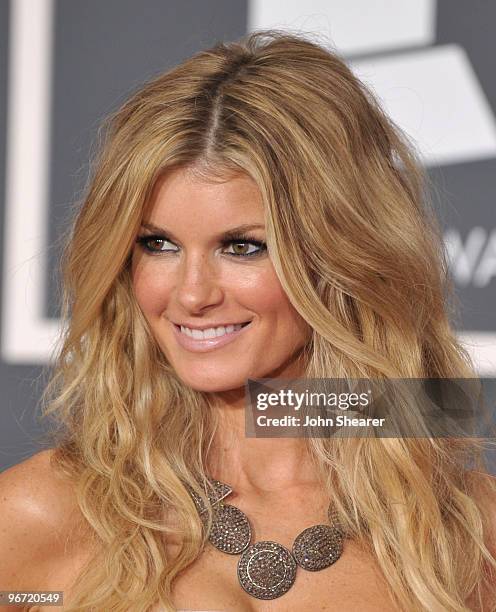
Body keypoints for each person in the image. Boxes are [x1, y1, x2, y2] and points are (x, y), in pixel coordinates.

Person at [1, 28, 495, 612]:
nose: (191, 294)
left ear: (341, 256)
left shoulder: (467, 536)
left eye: (242, 247)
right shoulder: (40, 515)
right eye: (157, 245)